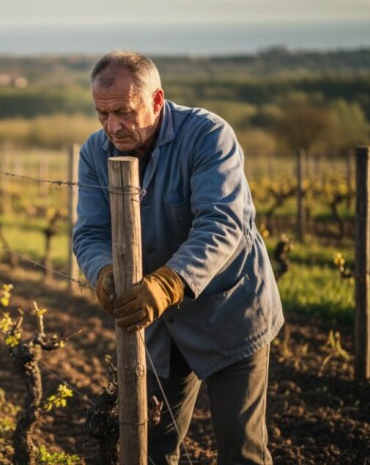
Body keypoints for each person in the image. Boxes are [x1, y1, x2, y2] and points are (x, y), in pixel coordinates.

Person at [72, 50, 283, 465]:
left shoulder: (208, 136)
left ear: (156, 100)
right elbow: (91, 232)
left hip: (230, 310)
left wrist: (170, 281)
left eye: (124, 112)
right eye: (102, 114)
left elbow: (222, 223)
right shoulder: (95, 153)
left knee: (242, 450)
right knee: (151, 446)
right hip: (160, 325)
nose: (113, 126)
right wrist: (103, 272)